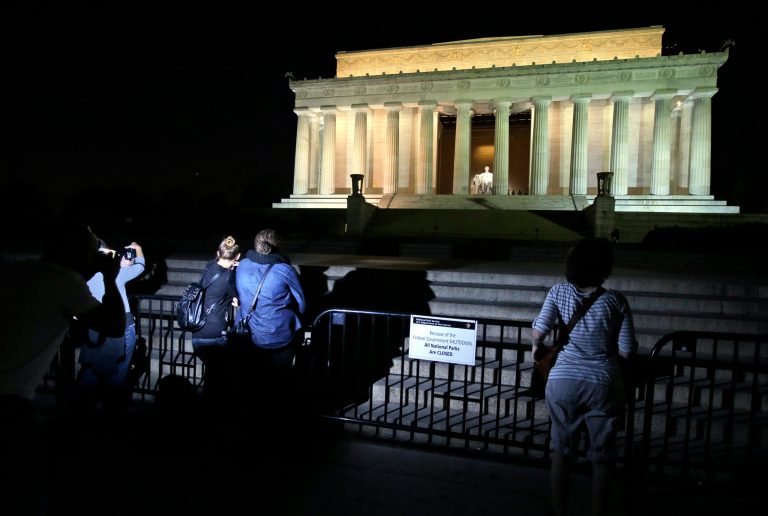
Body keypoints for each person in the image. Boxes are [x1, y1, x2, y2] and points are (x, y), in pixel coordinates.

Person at [0, 222, 125, 515]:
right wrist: (109, 277)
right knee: (26, 492)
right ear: (77, 252)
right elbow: (114, 325)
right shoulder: (65, 282)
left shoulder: (20, 270)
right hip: (10, 400)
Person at [530, 237, 637, 516]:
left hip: (563, 380)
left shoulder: (557, 292)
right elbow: (627, 350)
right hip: (603, 381)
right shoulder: (616, 300)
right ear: (605, 267)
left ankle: (558, 509)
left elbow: (539, 332)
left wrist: (535, 348)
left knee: (561, 451)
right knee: (602, 458)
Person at [235, 229, 305, 417]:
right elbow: (301, 301)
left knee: (255, 380)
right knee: (279, 381)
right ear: (277, 247)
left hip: (250, 333)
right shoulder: (284, 270)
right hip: (280, 334)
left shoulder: (242, 265)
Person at [74, 240, 146, 413]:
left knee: (91, 370)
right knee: (118, 372)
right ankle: (111, 409)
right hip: (119, 328)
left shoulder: (80, 275)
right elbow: (140, 267)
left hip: (93, 327)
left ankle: (81, 408)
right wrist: (139, 250)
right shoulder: (115, 273)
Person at [190, 236, 240, 408]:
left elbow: (218, 260)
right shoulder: (229, 278)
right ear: (238, 256)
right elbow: (236, 295)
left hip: (198, 331)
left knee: (212, 374)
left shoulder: (208, 268)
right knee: (219, 378)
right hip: (216, 334)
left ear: (217, 253)